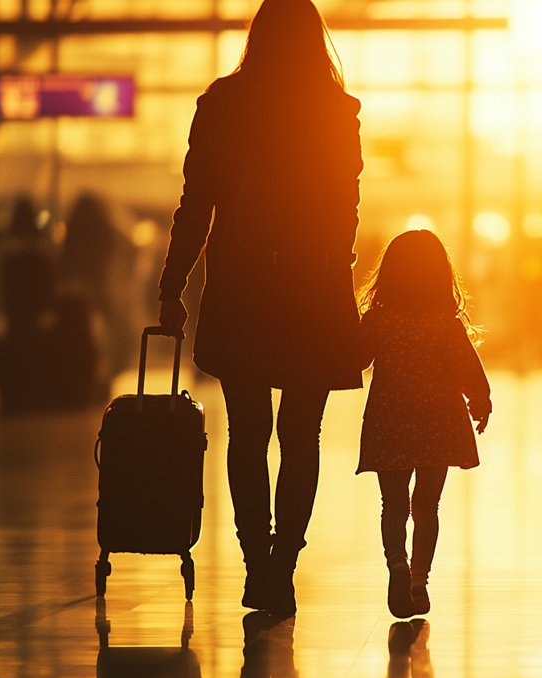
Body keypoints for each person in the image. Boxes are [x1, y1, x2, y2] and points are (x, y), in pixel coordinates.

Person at [158, 0, 364, 616]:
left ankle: (256, 564)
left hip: (242, 288)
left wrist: (172, 289)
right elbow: (345, 209)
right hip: (312, 289)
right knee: (302, 435)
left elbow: (196, 206)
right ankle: (284, 563)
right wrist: (334, 265)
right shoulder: (335, 111)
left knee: (246, 435)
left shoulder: (222, 105)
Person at [356, 230, 491, 618]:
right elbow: (468, 367)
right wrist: (481, 401)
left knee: (393, 504)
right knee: (427, 506)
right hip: (439, 419)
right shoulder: (444, 323)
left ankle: (396, 563)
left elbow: (357, 359)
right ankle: (418, 580)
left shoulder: (380, 320)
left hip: (390, 418)